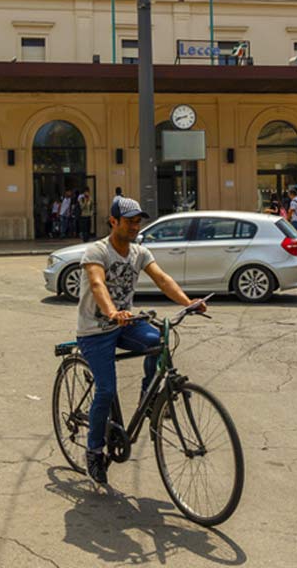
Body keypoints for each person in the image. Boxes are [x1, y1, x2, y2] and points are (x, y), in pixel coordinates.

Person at [77, 197, 205, 487]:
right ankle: (94, 450)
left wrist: (188, 302)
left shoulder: (139, 253)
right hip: (95, 330)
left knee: (160, 339)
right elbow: (97, 284)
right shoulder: (97, 251)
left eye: (139, 221)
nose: (136, 226)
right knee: (106, 390)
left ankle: (149, 397)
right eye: (130, 221)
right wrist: (111, 312)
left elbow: (162, 279)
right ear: (113, 222)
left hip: (125, 325)